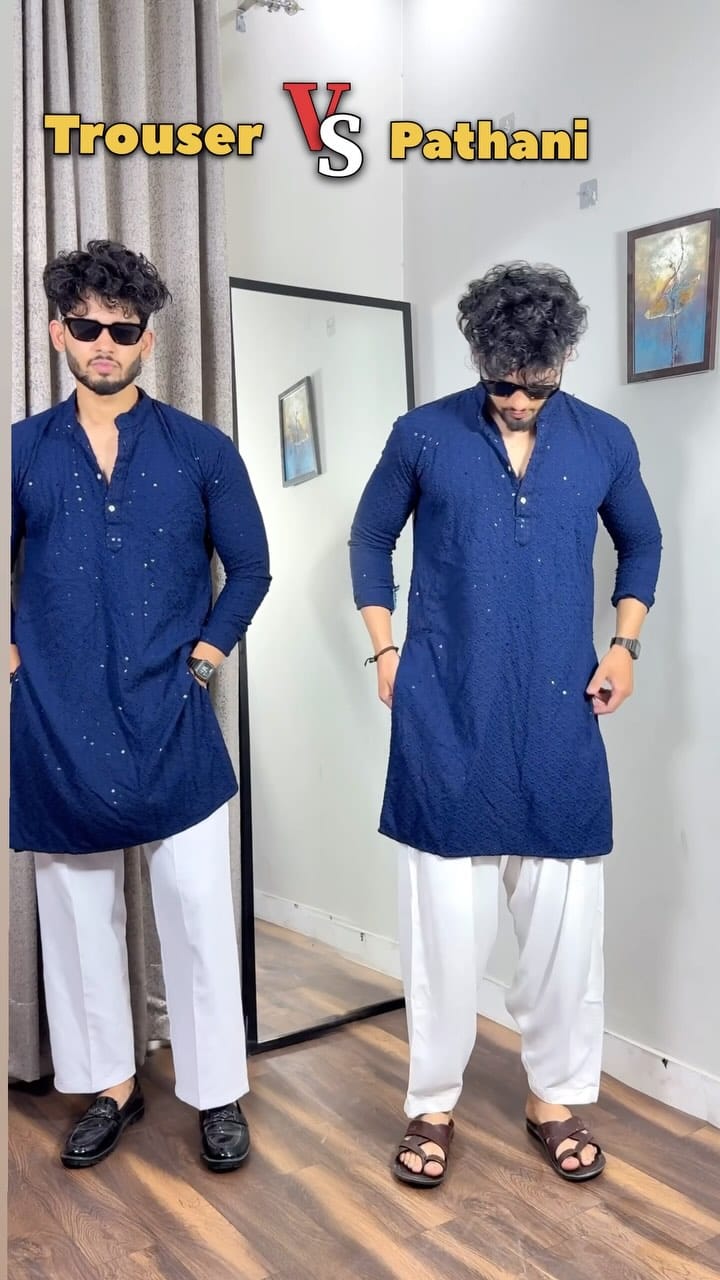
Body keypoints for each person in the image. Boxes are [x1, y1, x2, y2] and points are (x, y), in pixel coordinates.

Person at [349, 262, 662, 1187]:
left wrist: (625, 646)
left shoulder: (603, 439)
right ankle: (431, 1104)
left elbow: (642, 540)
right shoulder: (422, 434)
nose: (519, 400)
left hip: (559, 714)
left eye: (537, 383)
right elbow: (370, 537)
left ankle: (553, 1097)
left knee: (565, 930)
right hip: (446, 711)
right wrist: (385, 649)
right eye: (501, 383)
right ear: (478, 358)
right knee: (444, 934)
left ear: (562, 360)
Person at [11, 240, 271, 1171]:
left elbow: (251, 568)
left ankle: (216, 1091)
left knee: (198, 913)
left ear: (148, 342)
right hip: (56, 720)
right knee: (78, 920)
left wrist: (204, 659)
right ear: (58, 332)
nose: (104, 343)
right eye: (86, 326)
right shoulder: (19, 450)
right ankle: (109, 1087)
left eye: (122, 331)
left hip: (174, 715)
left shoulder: (202, 449)